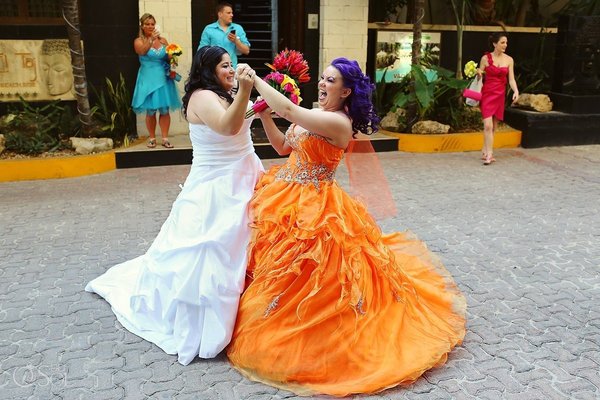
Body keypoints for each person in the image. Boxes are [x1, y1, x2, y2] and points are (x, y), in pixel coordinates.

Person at [226, 58, 467, 396]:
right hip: (284, 197)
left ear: (347, 91)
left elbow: (292, 112)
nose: (322, 84)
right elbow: (283, 146)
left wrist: (256, 81)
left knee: (317, 272)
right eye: (322, 78)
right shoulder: (317, 112)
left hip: (319, 208)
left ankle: (313, 337)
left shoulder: (339, 123)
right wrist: (265, 115)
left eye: (331, 80)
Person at [85, 46, 264, 366]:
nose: (231, 69)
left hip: (247, 174)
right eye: (224, 65)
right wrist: (248, 91)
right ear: (207, 70)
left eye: (231, 64)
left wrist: (260, 101)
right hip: (216, 186)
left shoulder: (228, 91)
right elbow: (227, 127)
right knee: (212, 247)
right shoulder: (201, 97)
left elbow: (243, 117)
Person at [132, 13, 181, 149]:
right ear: (142, 26)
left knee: (165, 109)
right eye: (147, 24)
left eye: (152, 24)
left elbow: (167, 58)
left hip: (163, 77)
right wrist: (151, 40)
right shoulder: (138, 41)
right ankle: (152, 138)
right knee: (151, 110)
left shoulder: (163, 40)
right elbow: (141, 51)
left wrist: (172, 57)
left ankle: (165, 138)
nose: (150, 26)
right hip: (148, 78)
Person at [476, 32, 519, 165]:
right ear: (495, 44)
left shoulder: (509, 60)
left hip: (500, 95)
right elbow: (479, 77)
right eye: (502, 42)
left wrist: (516, 91)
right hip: (487, 94)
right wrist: (478, 73)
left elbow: (511, 79)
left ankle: (484, 150)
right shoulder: (485, 58)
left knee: (493, 126)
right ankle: (490, 154)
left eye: (506, 43)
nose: (505, 45)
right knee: (488, 126)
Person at [198, 2, 250, 68]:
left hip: (232, 70)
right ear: (220, 14)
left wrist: (236, 41)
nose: (232, 15)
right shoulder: (209, 29)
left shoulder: (238, 28)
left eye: (232, 13)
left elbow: (246, 51)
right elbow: (201, 51)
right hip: (213, 70)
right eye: (228, 13)